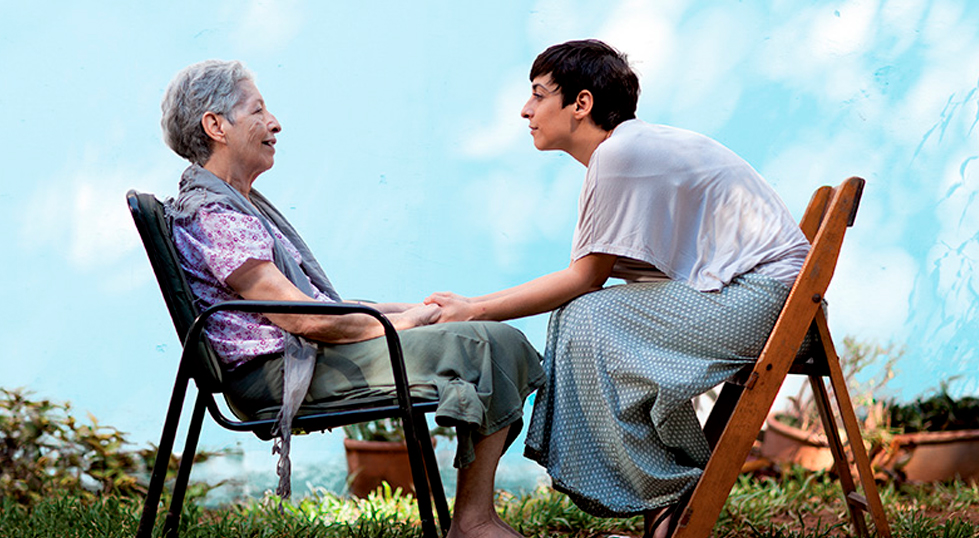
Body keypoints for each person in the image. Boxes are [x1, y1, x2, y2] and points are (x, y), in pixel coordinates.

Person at [425, 40, 811, 538]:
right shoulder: (624, 153)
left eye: (539, 95)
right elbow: (592, 275)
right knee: (587, 318)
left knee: (586, 316)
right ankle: (666, 508)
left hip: (770, 306)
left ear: (580, 104)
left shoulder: (620, 152)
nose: (525, 110)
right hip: (761, 302)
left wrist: (474, 309)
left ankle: (669, 496)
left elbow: (584, 279)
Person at [160, 59, 544, 538]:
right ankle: (474, 522)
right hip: (279, 373)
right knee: (484, 345)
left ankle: (473, 518)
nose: (275, 123)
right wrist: (404, 324)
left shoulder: (238, 205)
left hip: (305, 358)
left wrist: (405, 311)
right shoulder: (216, 214)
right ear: (216, 126)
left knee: (490, 337)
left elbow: (316, 308)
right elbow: (302, 318)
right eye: (258, 111)